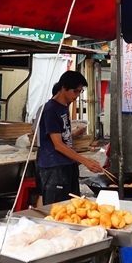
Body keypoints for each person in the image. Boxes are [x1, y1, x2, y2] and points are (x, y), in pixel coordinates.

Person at [37, 71, 104, 205]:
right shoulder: (50, 109)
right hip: (54, 166)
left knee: (73, 205)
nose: (77, 95)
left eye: (80, 91)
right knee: (57, 208)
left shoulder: (64, 106)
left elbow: (63, 136)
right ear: (63, 87)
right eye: (75, 91)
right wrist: (85, 161)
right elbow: (58, 144)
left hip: (67, 164)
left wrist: (76, 135)